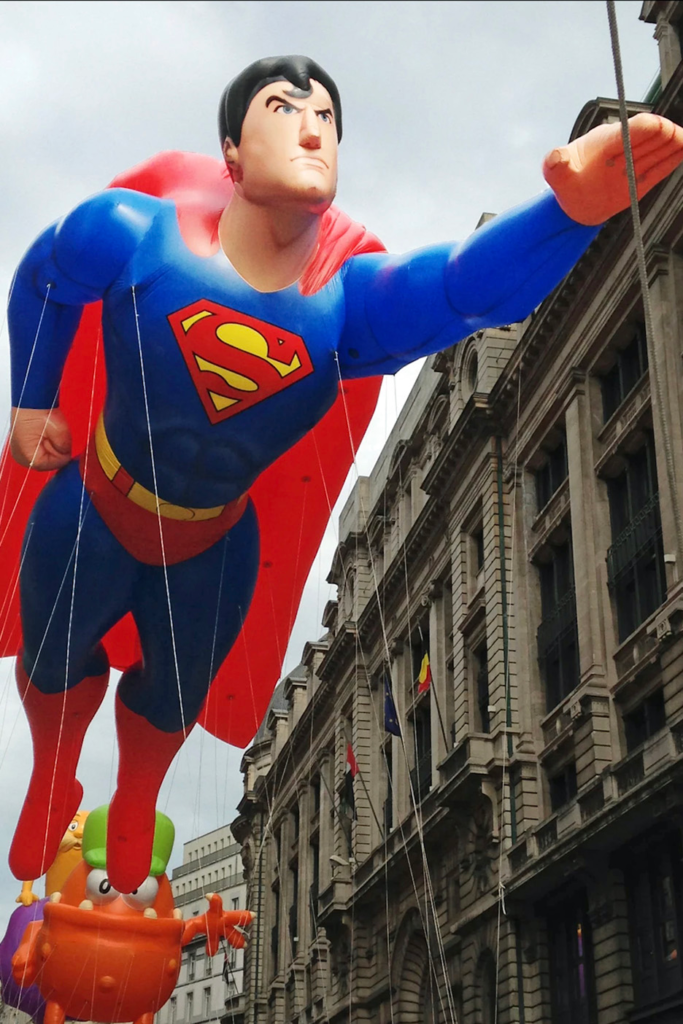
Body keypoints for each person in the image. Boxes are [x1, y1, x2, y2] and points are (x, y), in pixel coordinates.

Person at [7, 55, 683, 894]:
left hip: (212, 543)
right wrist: (31, 399)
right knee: (53, 652)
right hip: (98, 504)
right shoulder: (130, 231)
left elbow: (460, 287)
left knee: (174, 694)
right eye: (283, 107)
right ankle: (53, 768)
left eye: (326, 115)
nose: (311, 127)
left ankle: (138, 792)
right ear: (230, 150)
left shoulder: (344, 300)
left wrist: (567, 212)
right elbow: (45, 273)